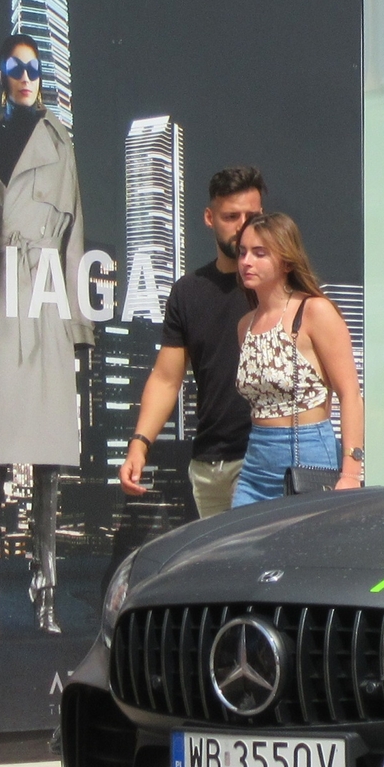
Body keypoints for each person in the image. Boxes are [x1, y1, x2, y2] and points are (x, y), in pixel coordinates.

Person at [0, 36, 90, 647]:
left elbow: (75, 232)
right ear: (0, 74)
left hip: (51, 297)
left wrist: (80, 326)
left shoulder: (61, 145)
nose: (25, 77)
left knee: (52, 457)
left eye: (34, 68)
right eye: (15, 67)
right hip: (4, 294)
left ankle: (44, 585)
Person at [122, 167, 264, 520]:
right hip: (208, 465)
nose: (243, 225)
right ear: (209, 218)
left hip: (264, 457)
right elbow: (167, 379)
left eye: (253, 216)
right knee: (217, 572)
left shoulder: (281, 287)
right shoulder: (188, 292)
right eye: (232, 216)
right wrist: (140, 444)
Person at [231, 212, 365, 505]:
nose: (246, 262)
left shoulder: (315, 311)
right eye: (242, 253)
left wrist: (351, 471)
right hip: (255, 463)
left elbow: (350, 393)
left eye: (259, 253)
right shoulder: (246, 325)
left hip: (307, 453)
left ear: (286, 261)